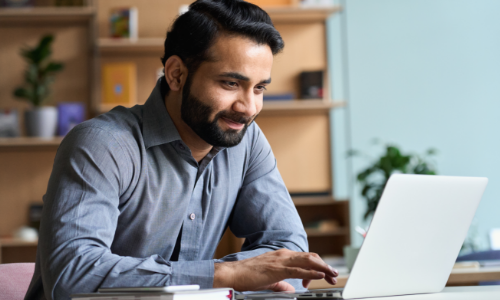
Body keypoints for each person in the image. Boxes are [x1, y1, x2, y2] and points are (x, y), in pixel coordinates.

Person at [25, 1, 338, 299]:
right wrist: (225, 275)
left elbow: (289, 249)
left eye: (259, 88)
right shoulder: (102, 144)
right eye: (230, 83)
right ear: (176, 74)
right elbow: (72, 277)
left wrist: (246, 274)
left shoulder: (247, 140)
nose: (248, 107)